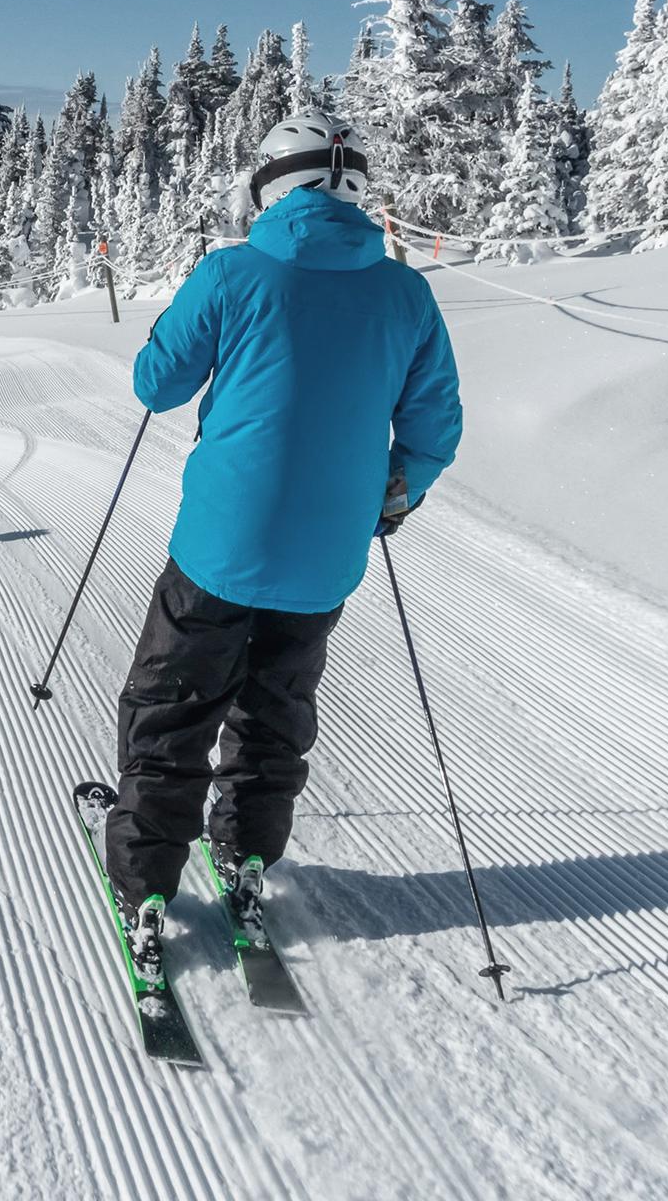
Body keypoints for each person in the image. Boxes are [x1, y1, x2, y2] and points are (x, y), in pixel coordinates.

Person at [104, 114, 463, 984]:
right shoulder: (406, 294)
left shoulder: (232, 271)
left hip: (222, 543)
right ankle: (247, 853)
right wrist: (397, 490)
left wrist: (179, 329)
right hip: (328, 554)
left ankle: (148, 882)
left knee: (174, 704)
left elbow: (159, 382)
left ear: (269, 185)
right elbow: (434, 426)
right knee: (276, 709)